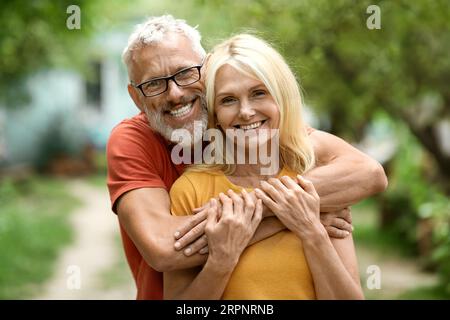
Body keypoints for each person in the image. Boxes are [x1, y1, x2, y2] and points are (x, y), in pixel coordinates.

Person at [106, 15, 387, 299]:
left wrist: (282, 212)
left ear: (206, 72)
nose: (175, 93)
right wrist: (287, 215)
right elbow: (164, 248)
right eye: (154, 84)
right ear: (136, 97)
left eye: (185, 73)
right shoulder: (135, 142)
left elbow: (369, 173)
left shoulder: (269, 140)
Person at [164, 34, 365, 299]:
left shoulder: (313, 183)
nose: (245, 111)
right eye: (228, 100)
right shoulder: (191, 190)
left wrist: (311, 230)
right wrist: (221, 261)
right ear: (215, 115)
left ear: (282, 98)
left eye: (259, 93)